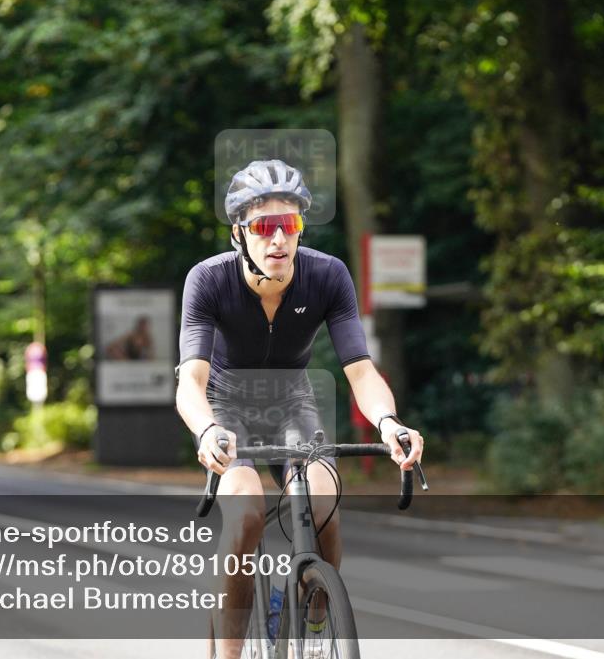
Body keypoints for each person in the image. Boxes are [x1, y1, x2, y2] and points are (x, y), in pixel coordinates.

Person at [176, 159, 425, 659]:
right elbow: (192, 383)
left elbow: (360, 370)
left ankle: (313, 623)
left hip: (293, 403)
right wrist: (206, 431)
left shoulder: (327, 276)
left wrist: (388, 422)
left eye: (288, 225)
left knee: (324, 505)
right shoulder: (208, 280)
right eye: (264, 226)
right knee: (246, 514)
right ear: (239, 233)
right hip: (226, 406)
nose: (278, 239)